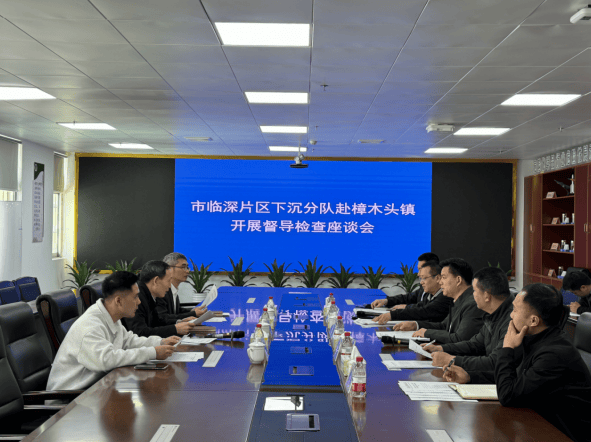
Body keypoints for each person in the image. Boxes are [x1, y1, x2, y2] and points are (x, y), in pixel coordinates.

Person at [444, 283, 591, 442]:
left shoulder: (554, 354)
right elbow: (516, 377)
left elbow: (508, 396)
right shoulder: (536, 339)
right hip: (538, 423)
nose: (511, 315)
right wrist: (470, 377)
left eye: (514, 310)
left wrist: (507, 348)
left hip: (564, 434)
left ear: (533, 320)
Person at [47, 271, 179, 391]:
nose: (139, 302)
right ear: (119, 301)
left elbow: (129, 341)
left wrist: (160, 342)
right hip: (69, 399)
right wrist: (153, 352)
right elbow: (107, 360)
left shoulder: (110, 316)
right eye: (135, 297)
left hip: (96, 388)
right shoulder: (90, 326)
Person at [424, 267, 513, 371]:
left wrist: (452, 360)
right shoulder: (493, 314)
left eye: (474, 290)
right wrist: (441, 348)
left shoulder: (511, 320)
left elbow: (495, 361)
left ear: (487, 296)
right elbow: (474, 344)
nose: (473, 294)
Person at [393, 258, 484, 344]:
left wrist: (427, 333)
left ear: (458, 280)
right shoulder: (459, 300)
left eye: (443, 277)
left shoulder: (473, 304)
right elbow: (444, 326)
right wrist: (415, 325)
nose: (440, 282)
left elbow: (460, 339)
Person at [124, 260, 211, 338]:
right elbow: (139, 333)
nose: (169, 286)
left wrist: (179, 322)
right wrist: (175, 329)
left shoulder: (148, 293)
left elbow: (157, 322)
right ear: (156, 280)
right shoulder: (136, 296)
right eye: (168, 281)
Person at [373, 261, 452, 324]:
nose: (421, 282)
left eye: (424, 278)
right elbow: (418, 306)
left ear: (437, 278)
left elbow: (424, 311)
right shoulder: (429, 295)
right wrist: (388, 302)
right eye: (420, 279)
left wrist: (393, 315)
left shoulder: (445, 297)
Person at [371, 253, 439, 309]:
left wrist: (406, 307)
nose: (418, 274)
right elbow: (408, 298)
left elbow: (426, 309)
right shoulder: (424, 287)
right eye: (418, 270)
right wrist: (387, 301)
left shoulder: (439, 293)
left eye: (420, 269)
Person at [156, 252, 208, 325]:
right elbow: (163, 317)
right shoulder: (160, 291)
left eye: (187, 267)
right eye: (183, 267)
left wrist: (192, 311)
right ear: (169, 269)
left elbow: (176, 311)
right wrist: (193, 313)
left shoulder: (173, 289)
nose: (187, 271)